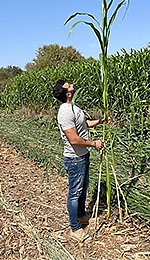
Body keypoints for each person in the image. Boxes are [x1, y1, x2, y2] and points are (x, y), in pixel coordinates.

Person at [52, 79, 104, 243]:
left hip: (83, 156)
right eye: (69, 85)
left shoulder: (74, 107)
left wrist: (100, 121)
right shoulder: (65, 112)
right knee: (75, 193)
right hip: (75, 159)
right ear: (67, 93)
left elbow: (83, 124)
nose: (72, 84)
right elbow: (74, 139)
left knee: (82, 189)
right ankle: (75, 228)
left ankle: (81, 216)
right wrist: (94, 143)